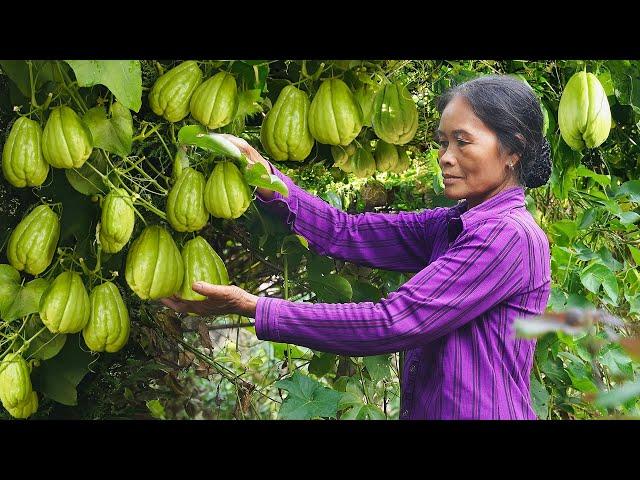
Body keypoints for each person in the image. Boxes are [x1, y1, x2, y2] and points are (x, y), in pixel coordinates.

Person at [161, 74, 553, 420]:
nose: (445, 157)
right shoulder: (453, 224)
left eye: (462, 141)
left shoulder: (507, 237)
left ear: (513, 148)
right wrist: (270, 182)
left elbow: (394, 321)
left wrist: (255, 307)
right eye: (442, 142)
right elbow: (345, 232)